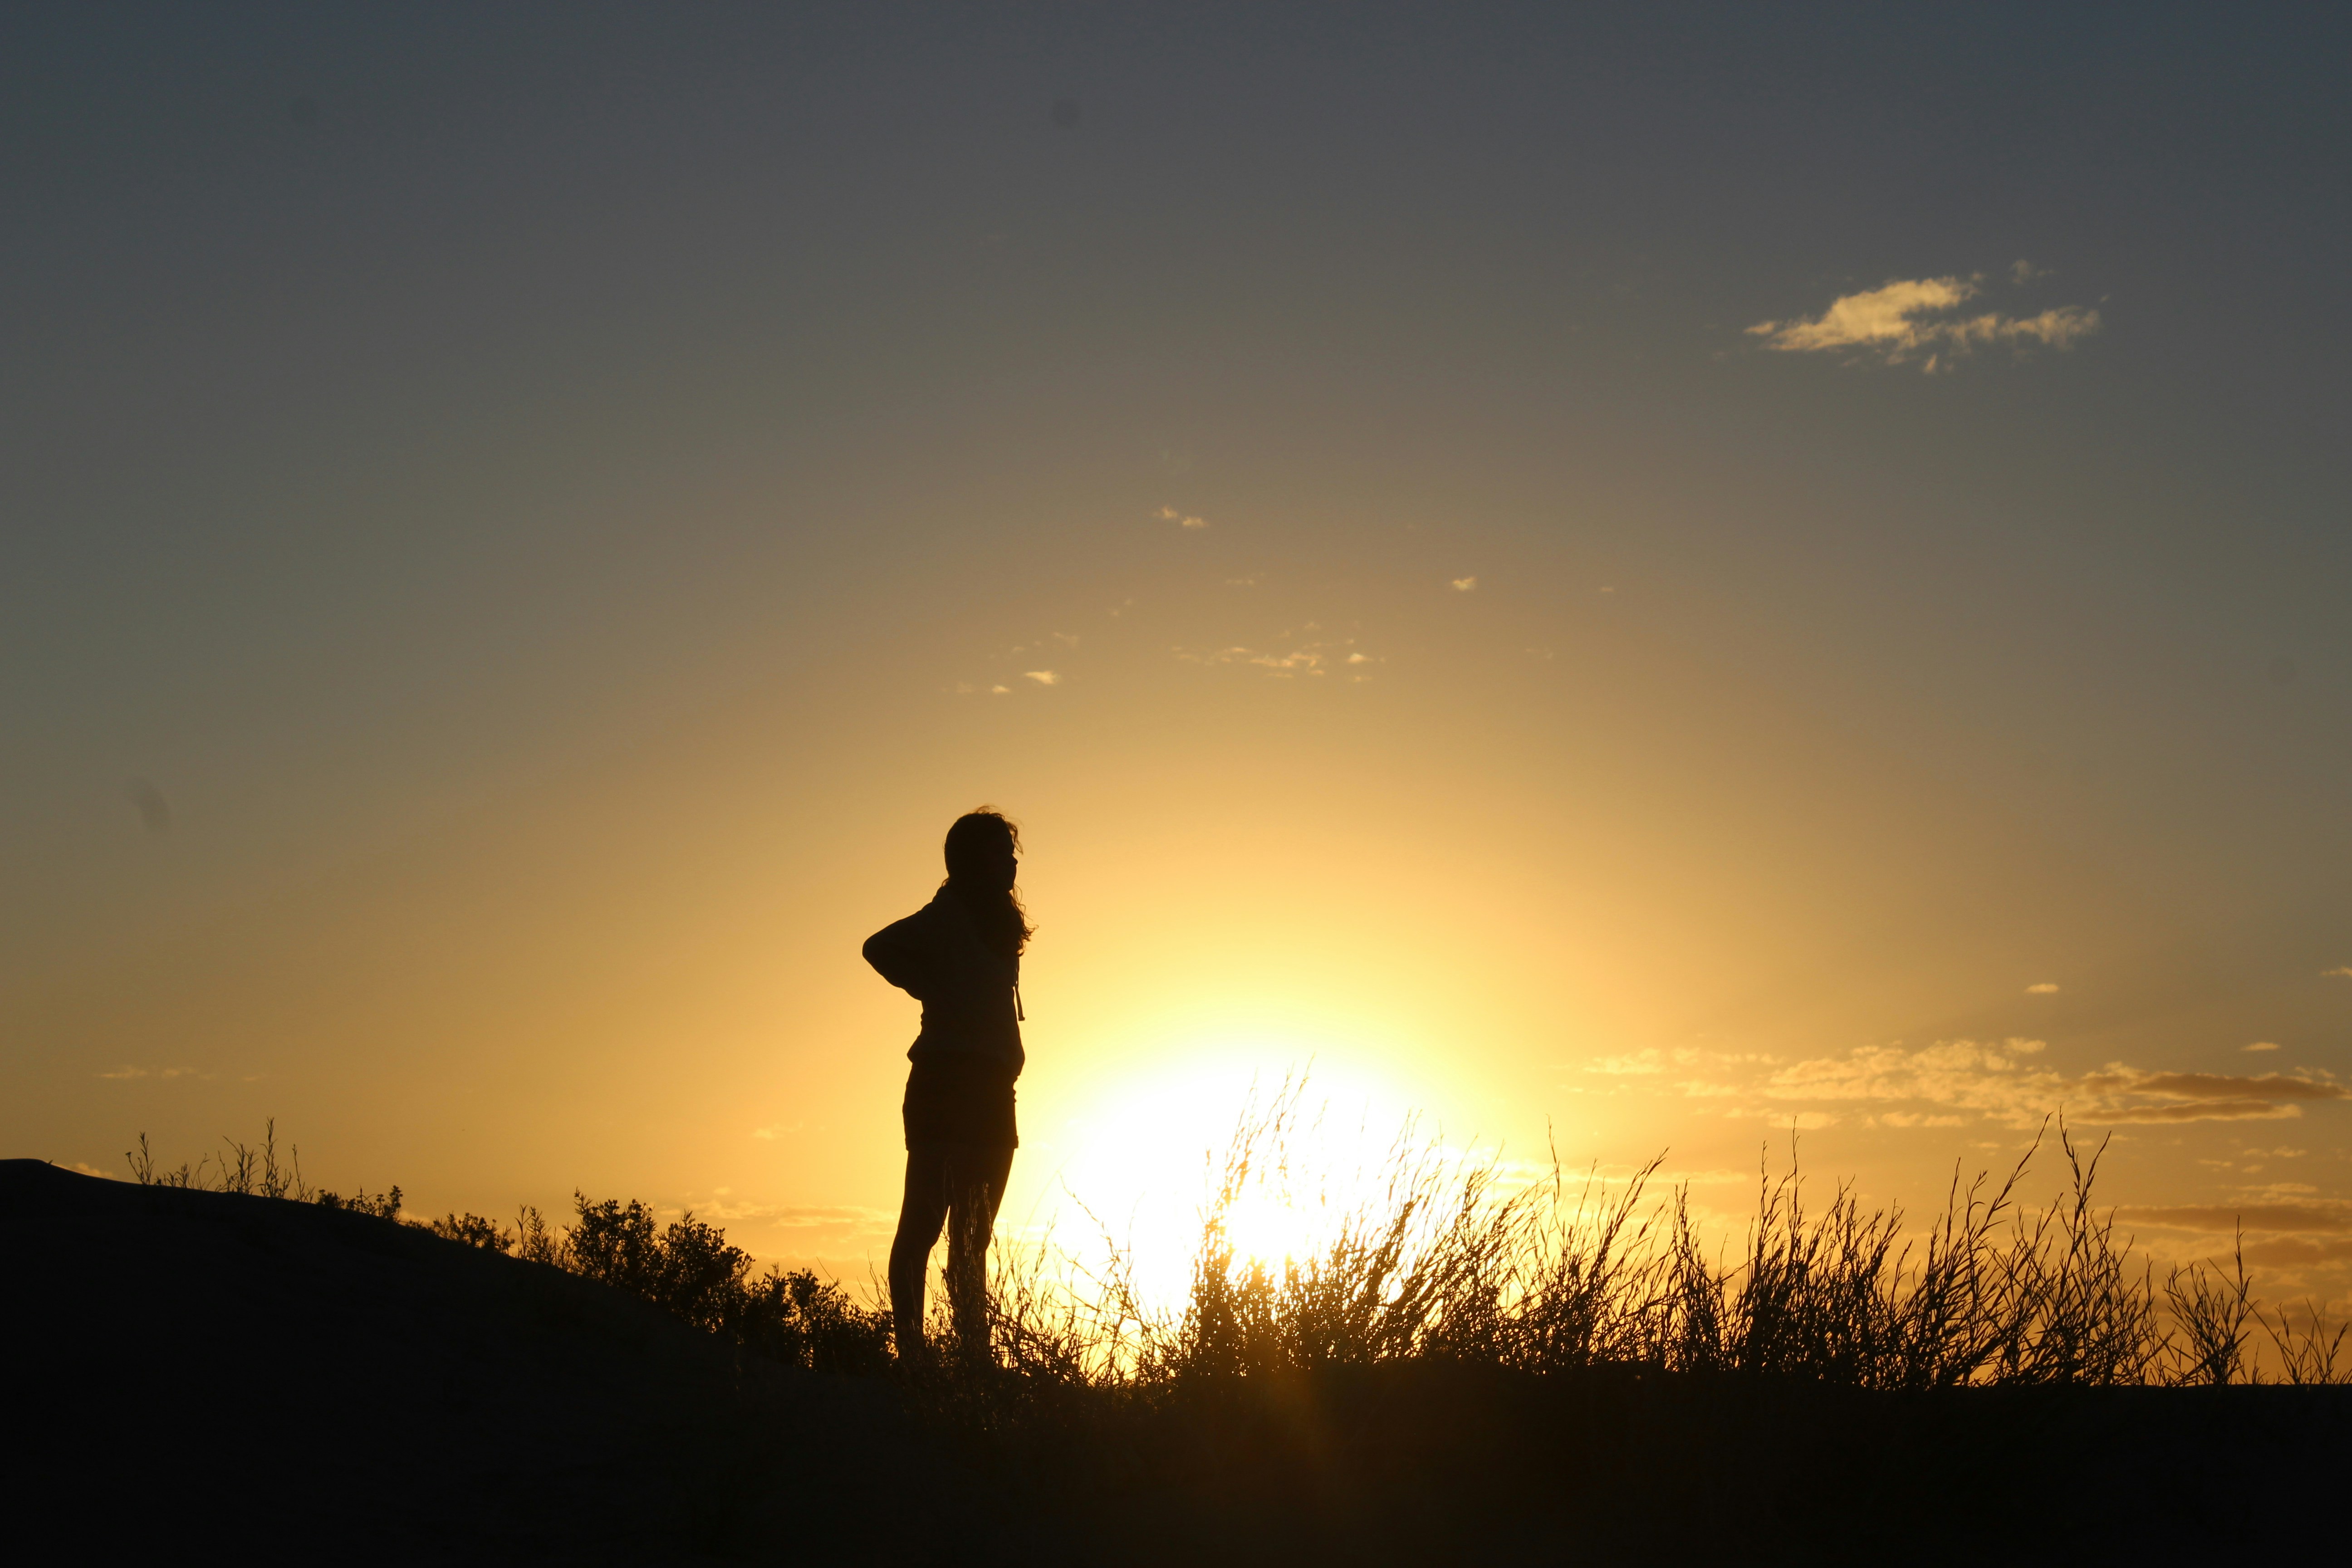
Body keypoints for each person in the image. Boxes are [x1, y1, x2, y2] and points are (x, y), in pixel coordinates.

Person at [864, 808, 1031, 1365]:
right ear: (970, 860)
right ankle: (912, 1353)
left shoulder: (999, 924)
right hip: (945, 1083)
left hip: (992, 1092)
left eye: (1012, 854)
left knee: (973, 1239)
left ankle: (972, 1360)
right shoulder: (948, 915)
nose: (1010, 862)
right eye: (1000, 852)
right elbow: (878, 947)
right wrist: (930, 985)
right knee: (924, 1223)